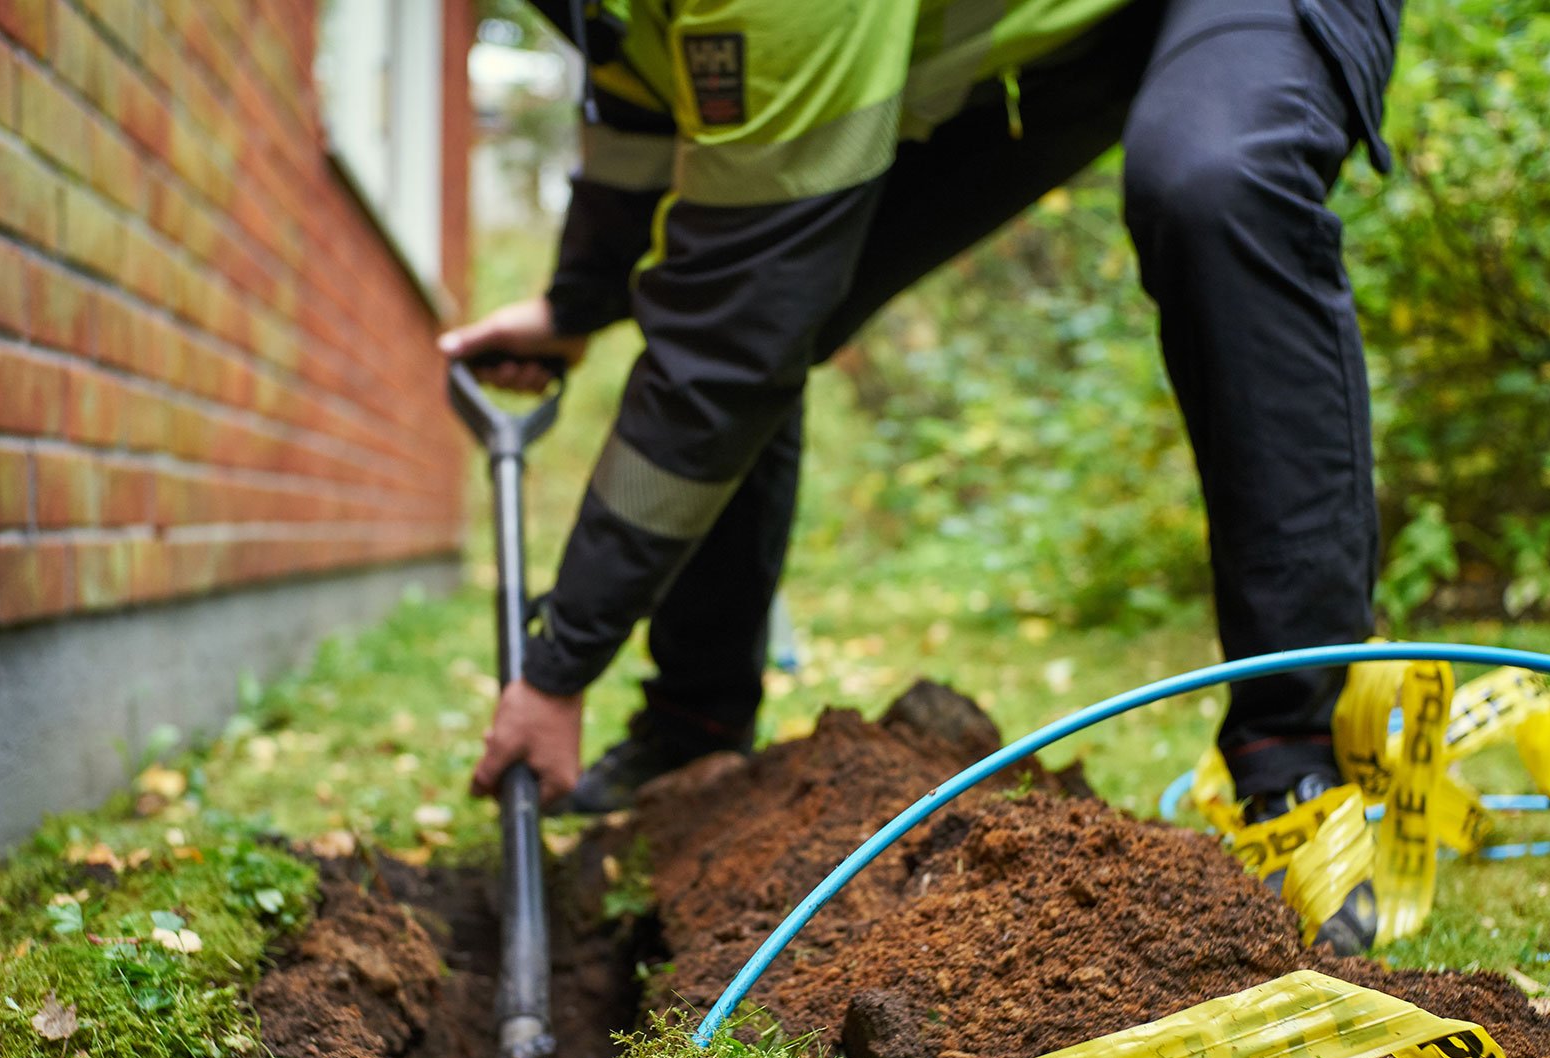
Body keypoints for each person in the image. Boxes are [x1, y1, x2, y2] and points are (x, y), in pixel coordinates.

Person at [444, 0, 1398, 953]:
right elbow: (644, 117)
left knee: (1213, 179)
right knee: (762, 296)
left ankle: (1296, 761)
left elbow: (730, 336)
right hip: (1054, 39)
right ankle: (692, 730)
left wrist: (559, 665)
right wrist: (575, 302)